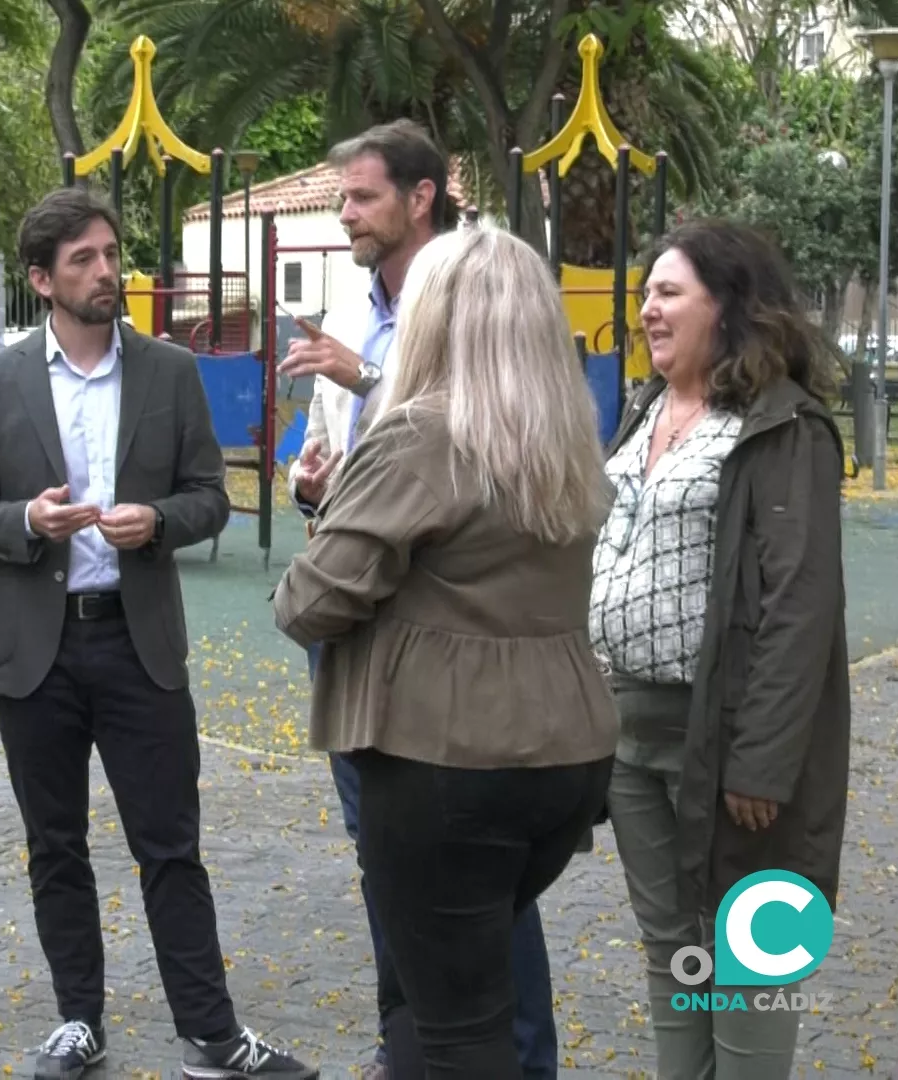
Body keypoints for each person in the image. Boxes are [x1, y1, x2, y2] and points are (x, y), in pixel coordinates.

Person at [0, 187, 316, 1080]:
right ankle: (78, 1019)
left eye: (111, 254)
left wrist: (159, 522)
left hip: (138, 642)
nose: (107, 272)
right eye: (83, 260)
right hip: (36, 650)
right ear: (42, 279)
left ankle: (212, 1035)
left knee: (170, 846)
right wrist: (27, 520)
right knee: (55, 845)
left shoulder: (168, 372)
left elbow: (209, 496)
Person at [272, 225, 617, 1078]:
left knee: (451, 1026)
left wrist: (333, 510)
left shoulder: (424, 433)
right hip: (561, 756)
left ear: (431, 322)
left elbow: (310, 602)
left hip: (442, 757)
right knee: (470, 990)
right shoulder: (562, 435)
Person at [590, 219, 851, 1079]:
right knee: (675, 955)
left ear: (727, 305)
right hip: (633, 739)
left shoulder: (783, 426)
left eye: (667, 293)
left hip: (734, 743)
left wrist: (763, 763)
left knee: (751, 957)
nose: (647, 312)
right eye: (645, 295)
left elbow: (799, 606)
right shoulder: (645, 409)